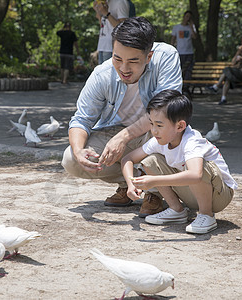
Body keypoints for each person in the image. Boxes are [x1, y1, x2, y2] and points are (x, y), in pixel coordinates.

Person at [61, 17, 183, 218]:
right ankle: (131, 184)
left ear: (149, 56)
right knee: (71, 159)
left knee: (164, 127)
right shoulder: (102, 74)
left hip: (154, 132)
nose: (124, 68)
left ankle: (155, 192)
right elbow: (81, 119)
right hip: (118, 133)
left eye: (133, 61)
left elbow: (165, 109)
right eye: (118, 59)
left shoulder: (166, 56)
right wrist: (78, 150)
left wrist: (123, 137)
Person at [121, 90, 237, 234]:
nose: (154, 131)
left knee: (199, 168)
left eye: (159, 125)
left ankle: (206, 214)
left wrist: (155, 180)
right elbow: (128, 159)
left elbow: (196, 176)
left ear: (180, 126)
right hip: (192, 193)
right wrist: (131, 185)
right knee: (150, 161)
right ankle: (177, 210)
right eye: (151, 124)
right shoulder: (159, 140)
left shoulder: (191, 141)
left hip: (219, 196)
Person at [207, 33, 242, 105]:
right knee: (227, 78)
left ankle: (216, 86)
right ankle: (223, 99)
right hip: (237, 72)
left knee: (227, 69)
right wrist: (238, 52)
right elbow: (233, 63)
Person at [93, 0, 130, 64]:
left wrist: (106, 13)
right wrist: (98, 11)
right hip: (102, 45)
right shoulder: (105, 3)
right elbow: (103, 26)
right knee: (102, 73)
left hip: (112, 47)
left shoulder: (121, 2)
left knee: (110, 73)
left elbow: (122, 27)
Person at [171, 10, 197, 80]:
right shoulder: (176, 27)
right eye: (187, 16)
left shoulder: (191, 27)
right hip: (180, 52)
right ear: (184, 17)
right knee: (180, 69)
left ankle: (186, 86)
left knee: (188, 69)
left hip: (189, 52)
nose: (188, 18)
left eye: (189, 17)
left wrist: (191, 27)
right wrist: (171, 49)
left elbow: (194, 37)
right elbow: (173, 39)